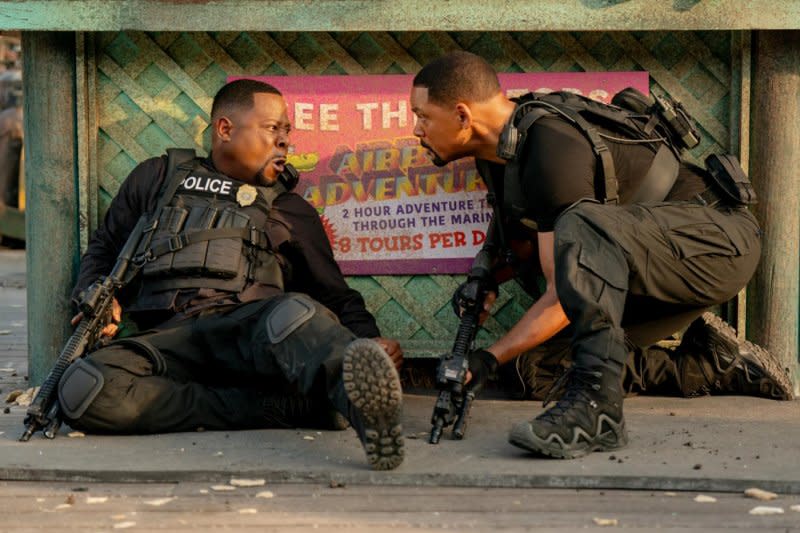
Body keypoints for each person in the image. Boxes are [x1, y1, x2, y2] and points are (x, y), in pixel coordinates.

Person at [410, 51, 793, 459]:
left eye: (423, 116)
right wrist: (487, 280)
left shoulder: (548, 145)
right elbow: (530, 245)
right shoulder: (501, 153)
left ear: (463, 116)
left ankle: (597, 413)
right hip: (649, 266)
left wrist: (486, 358)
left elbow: (563, 289)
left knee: (582, 225)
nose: (416, 130)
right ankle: (714, 364)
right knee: (535, 371)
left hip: (715, 243)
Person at [57, 79, 405, 471]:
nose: (285, 142)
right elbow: (104, 247)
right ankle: (281, 409)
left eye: (287, 131)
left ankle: (368, 414)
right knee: (83, 390)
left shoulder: (290, 209)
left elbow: (335, 295)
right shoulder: (159, 177)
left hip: (252, 339)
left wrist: (369, 343)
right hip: (170, 342)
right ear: (225, 129)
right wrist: (94, 295)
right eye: (273, 129)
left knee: (294, 314)